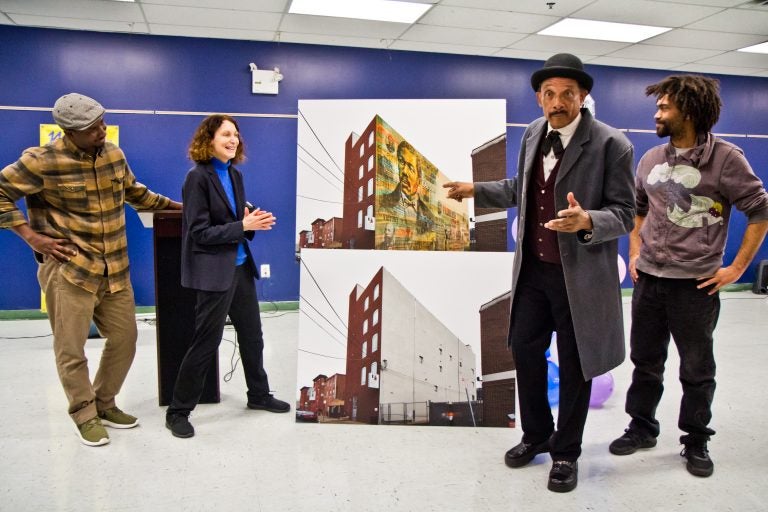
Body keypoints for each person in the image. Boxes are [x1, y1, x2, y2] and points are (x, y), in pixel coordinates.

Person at [444, 53, 635, 492]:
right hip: (532, 271)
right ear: (538, 98)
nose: (557, 101)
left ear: (582, 96)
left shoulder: (612, 144)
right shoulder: (533, 134)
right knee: (524, 351)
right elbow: (521, 189)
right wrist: (477, 190)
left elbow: (626, 213)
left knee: (576, 365)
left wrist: (588, 220)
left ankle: (566, 452)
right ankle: (536, 435)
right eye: (549, 94)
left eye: (567, 93)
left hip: (580, 278)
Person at [0, 93, 182, 446]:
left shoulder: (113, 153)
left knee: (126, 340)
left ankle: (105, 401)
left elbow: (135, 192)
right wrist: (30, 237)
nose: (102, 131)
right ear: (68, 131)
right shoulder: (41, 161)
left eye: (102, 122)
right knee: (71, 348)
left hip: (114, 267)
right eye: (92, 128)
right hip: (70, 271)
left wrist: (182, 207)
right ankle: (84, 413)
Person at [609, 75, 768, 477]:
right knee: (645, 361)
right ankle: (641, 428)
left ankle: (696, 439)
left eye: (664, 107)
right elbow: (637, 208)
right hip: (649, 280)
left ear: (690, 112)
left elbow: (760, 211)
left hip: (695, 285)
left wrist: (736, 269)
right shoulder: (650, 159)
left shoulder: (727, 159)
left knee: (696, 369)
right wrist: (634, 250)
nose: (656, 113)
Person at [165, 114, 290, 439]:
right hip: (213, 273)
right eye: (225, 135)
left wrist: (249, 222)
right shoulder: (197, 178)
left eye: (235, 134)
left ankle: (258, 395)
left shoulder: (234, 175)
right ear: (208, 141)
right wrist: (243, 226)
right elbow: (199, 232)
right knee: (206, 342)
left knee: (253, 336)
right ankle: (178, 412)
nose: (233, 140)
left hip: (239, 268)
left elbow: (234, 223)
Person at [379, 139, 436, 246]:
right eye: (401, 162)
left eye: (410, 167)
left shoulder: (430, 216)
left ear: (419, 180)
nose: (404, 171)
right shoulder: (384, 202)